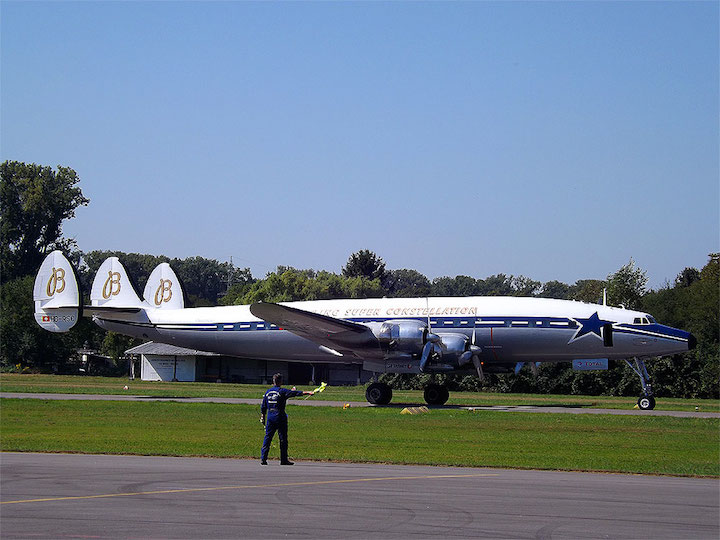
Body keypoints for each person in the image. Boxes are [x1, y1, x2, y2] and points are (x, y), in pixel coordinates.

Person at [260, 373, 314, 465]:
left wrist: (263, 418)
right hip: (280, 416)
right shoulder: (282, 391)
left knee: (268, 438)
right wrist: (308, 392)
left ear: (273, 381)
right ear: (281, 381)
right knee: (283, 439)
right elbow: (295, 393)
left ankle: (263, 458)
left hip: (270, 417)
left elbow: (263, 407)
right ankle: (283, 459)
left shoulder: (268, 392)